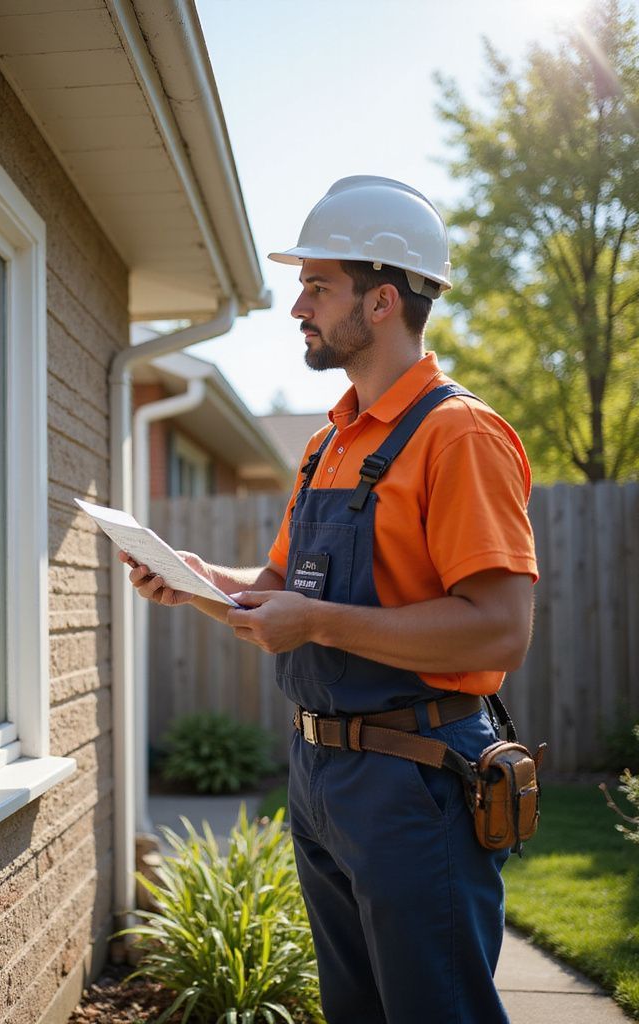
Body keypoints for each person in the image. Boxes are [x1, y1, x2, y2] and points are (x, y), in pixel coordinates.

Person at [120, 176, 537, 1024]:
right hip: (320, 776)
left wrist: (312, 622)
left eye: (318, 286)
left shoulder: (460, 435)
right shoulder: (326, 444)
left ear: (383, 301)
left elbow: (500, 628)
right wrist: (199, 581)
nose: (297, 306)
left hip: (416, 781)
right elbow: (279, 590)